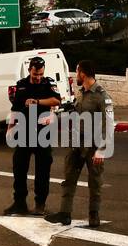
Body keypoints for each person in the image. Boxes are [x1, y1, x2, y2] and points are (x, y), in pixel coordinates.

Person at [47, 60, 114, 228]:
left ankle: (94, 214)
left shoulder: (102, 96)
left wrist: (102, 149)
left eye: (76, 72)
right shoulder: (80, 93)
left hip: (94, 145)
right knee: (69, 179)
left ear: (83, 73)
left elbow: (109, 123)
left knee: (95, 182)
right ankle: (65, 213)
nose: (75, 75)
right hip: (77, 143)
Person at [4, 56, 62, 216]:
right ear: (30, 70)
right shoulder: (21, 85)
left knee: (42, 171)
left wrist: (37, 102)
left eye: (40, 74)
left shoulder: (48, 83)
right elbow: (15, 109)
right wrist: (10, 128)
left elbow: (57, 100)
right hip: (24, 132)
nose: (38, 77)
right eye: (35, 74)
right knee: (19, 169)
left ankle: (40, 204)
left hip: (43, 132)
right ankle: (19, 203)